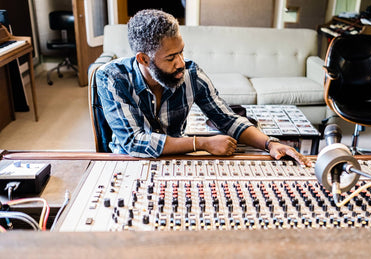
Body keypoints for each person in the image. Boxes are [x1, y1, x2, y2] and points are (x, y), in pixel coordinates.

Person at [95, 9, 311, 166]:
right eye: (171, 57)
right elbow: (134, 142)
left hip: (177, 160)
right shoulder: (111, 77)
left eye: (181, 52)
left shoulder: (191, 72)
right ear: (143, 59)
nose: (180, 62)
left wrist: (269, 144)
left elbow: (227, 118)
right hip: (127, 162)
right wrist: (201, 143)